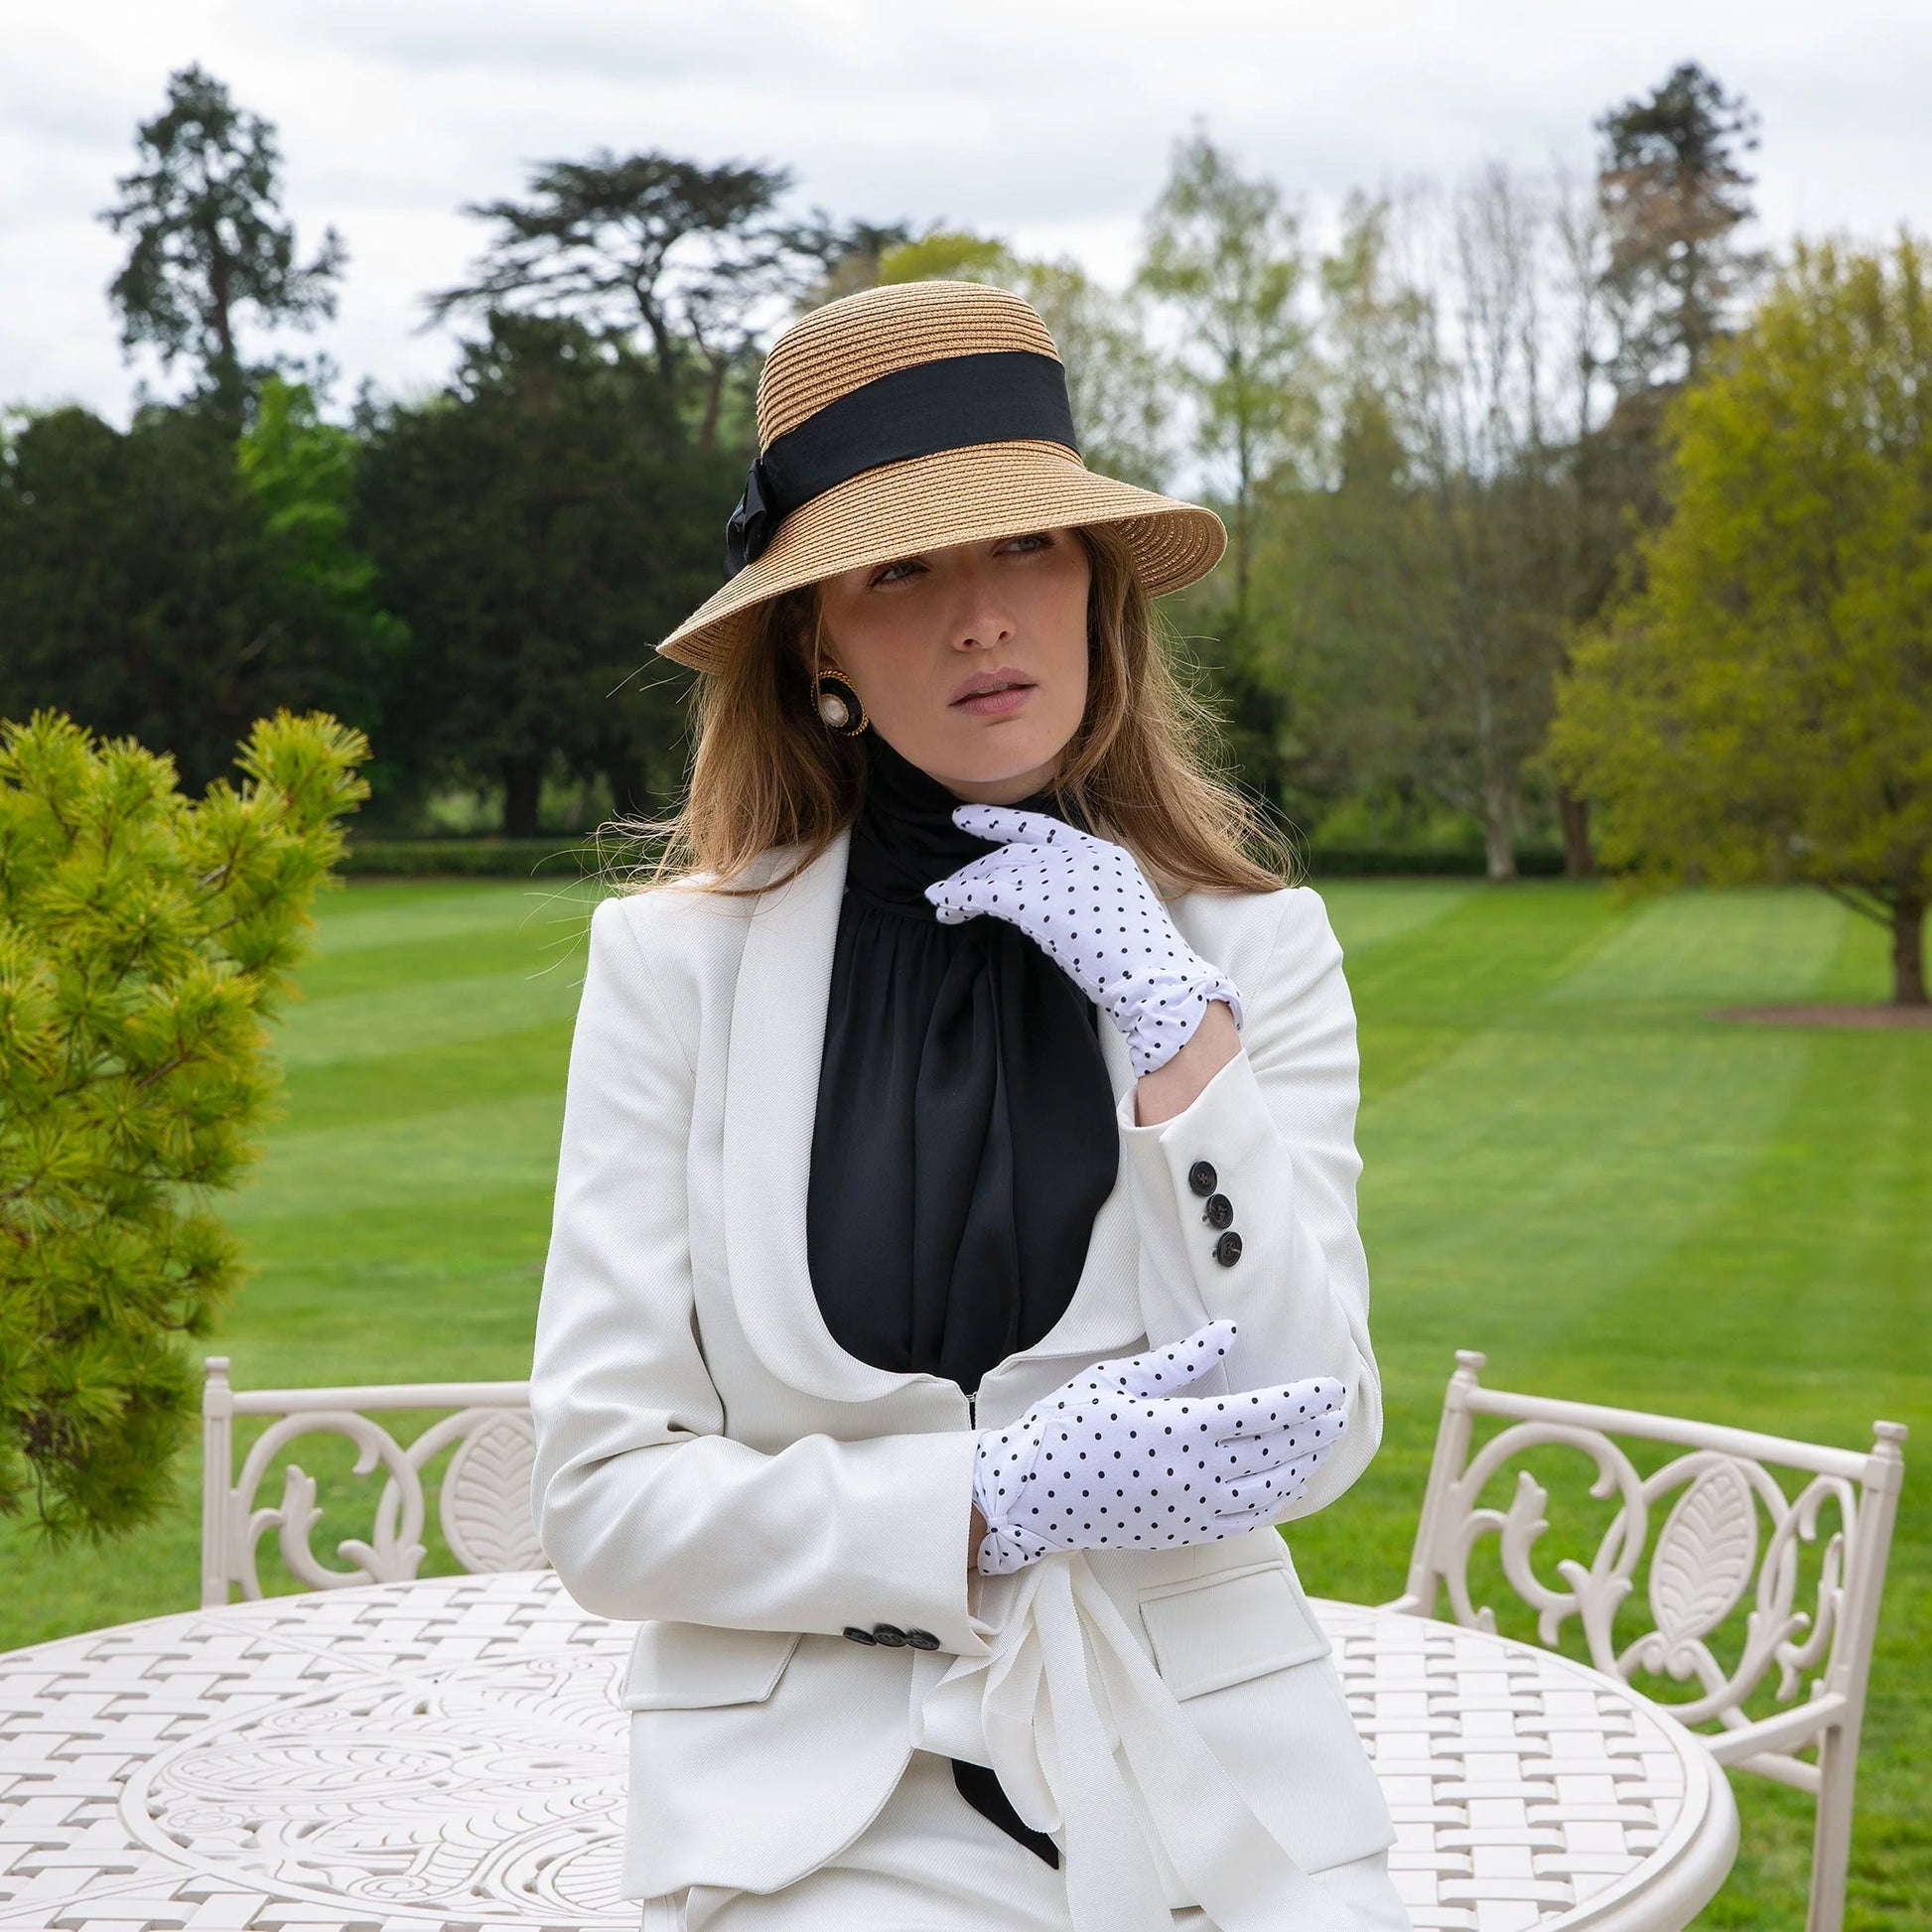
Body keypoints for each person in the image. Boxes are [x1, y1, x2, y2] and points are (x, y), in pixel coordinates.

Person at [527, 279, 1412, 1932]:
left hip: (1216, 1783)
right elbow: (601, 1500)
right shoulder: (671, 970)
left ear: (1094, 587)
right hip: (818, 1813)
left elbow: (1309, 1423)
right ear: (818, 637)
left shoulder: (1247, 954)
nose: (981, 617)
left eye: (1024, 547)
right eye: (901, 570)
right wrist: (980, 1504)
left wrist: (1180, 1036)